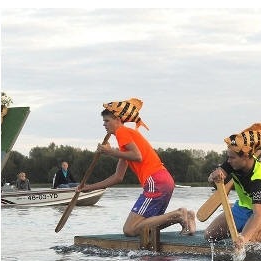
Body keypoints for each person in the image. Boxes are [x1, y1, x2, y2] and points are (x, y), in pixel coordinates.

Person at [80, 98, 194, 237]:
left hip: (155, 181)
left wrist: (108, 152)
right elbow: (118, 177)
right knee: (145, 226)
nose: (104, 124)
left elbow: (137, 156)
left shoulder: (122, 132)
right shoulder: (125, 141)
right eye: (104, 122)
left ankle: (179, 215)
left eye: (107, 121)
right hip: (164, 180)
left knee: (130, 229)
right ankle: (186, 217)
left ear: (117, 119)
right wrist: (90, 187)